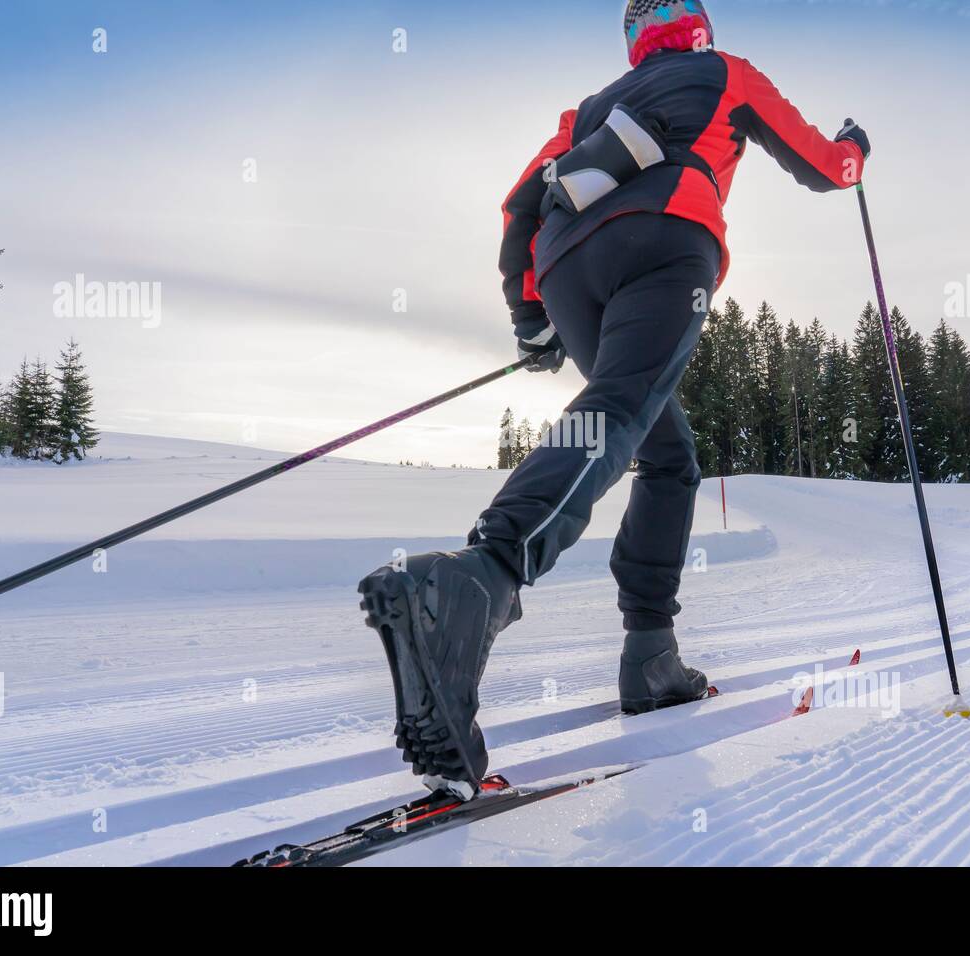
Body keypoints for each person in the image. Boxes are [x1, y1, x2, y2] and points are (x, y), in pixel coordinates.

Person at [359, 0, 869, 800]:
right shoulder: (728, 73)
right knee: (623, 413)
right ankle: (482, 576)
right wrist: (855, 152)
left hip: (568, 269)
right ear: (698, 26)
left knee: (665, 455)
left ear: (636, 41)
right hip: (667, 239)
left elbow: (519, 206)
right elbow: (822, 166)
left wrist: (533, 319)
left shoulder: (588, 110)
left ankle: (650, 655)